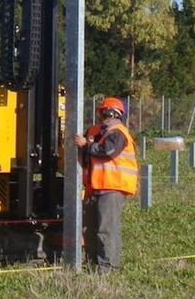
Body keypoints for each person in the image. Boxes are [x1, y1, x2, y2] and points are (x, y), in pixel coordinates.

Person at [73, 96, 138, 272]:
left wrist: (86, 145)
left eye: (103, 112)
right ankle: (93, 263)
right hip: (95, 188)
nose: (102, 116)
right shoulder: (96, 131)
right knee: (90, 229)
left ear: (112, 113)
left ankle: (108, 267)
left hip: (112, 188)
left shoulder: (118, 133)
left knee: (106, 229)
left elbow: (107, 151)